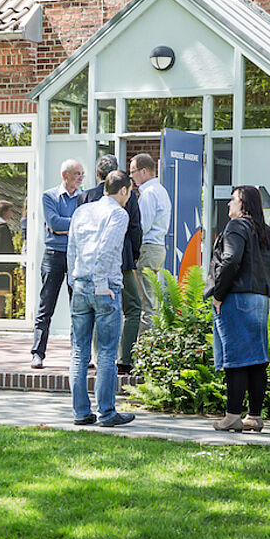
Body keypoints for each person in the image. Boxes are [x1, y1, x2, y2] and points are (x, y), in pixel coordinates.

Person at [204, 185, 270, 432]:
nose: (229, 204)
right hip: (260, 299)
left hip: (236, 298)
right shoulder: (268, 233)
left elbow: (230, 260)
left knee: (237, 360)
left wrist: (218, 294)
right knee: (257, 360)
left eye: (233, 200)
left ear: (244, 205)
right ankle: (254, 417)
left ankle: (232, 416)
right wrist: (262, 286)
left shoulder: (237, 227)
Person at [66, 170, 135, 427]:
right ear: (124, 190)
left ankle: (80, 412)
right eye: (129, 192)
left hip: (80, 284)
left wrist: (75, 282)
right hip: (104, 286)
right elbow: (107, 250)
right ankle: (106, 413)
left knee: (79, 351)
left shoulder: (82, 211)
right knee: (106, 352)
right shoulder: (118, 214)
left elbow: (71, 249)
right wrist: (101, 284)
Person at [83, 155, 143, 373]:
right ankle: (125, 359)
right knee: (133, 308)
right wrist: (133, 256)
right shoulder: (129, 196)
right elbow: (136, 228)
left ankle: (98, 357)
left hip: (90, 262)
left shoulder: (87, 196)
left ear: (98, 174)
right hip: (122, 260)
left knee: (98, 308)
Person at [31, 158, 86, 368]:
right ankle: (37, 353)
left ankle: (79, 355)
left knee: (78, 307)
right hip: (53, 255)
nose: (81, 178)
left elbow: (79, 224)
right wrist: (75, 223)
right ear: (65, 175)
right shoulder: (49, 196)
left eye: (82, 174)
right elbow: (53, 223)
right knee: (46, 305)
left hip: (76, 255)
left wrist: (66, 225)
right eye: (77, 174)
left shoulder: (84, 197)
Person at [130, 153, 171, 333]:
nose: (131, 176)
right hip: (158, 248)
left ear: (144, 171)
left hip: (147, 248)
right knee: (151, 299)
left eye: (133, 171)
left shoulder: (148, 193)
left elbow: (142, 227)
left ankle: (146, 348)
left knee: (145, 302)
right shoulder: (161, 190)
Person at [0, 199, 17, 318]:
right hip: (0, 265)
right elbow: (3, 247)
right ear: (4, 211)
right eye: (10, 210)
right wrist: (11, 264)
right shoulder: (1, 227)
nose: (11, 213)